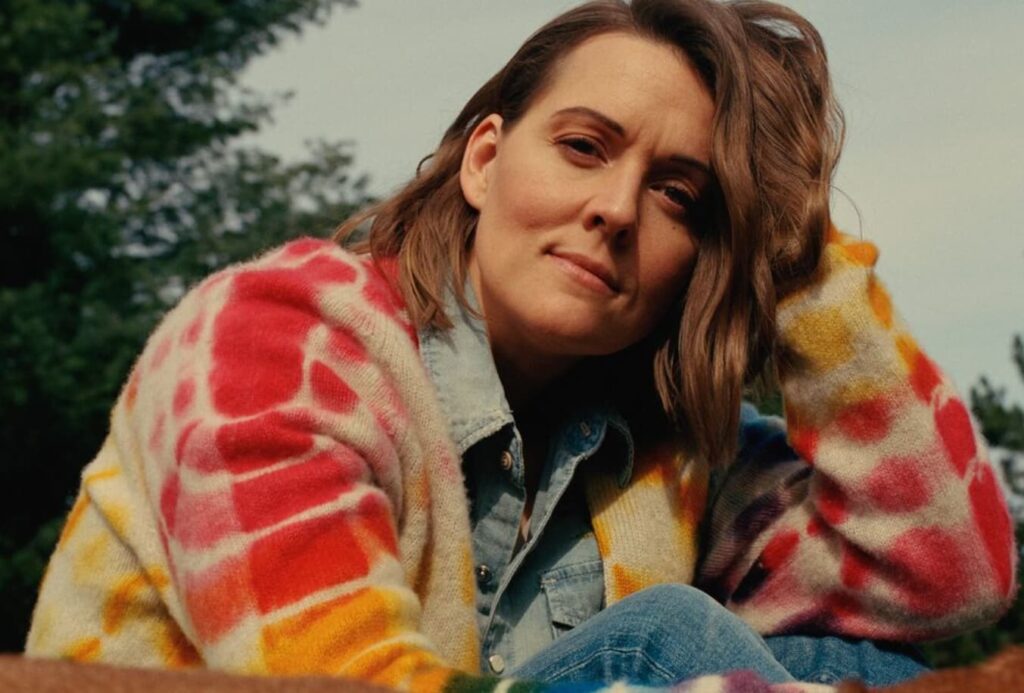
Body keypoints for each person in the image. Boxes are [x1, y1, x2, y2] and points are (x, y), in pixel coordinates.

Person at [25, 0, 1017, 691]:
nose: (616, 209)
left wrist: (799, 257)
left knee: (856, 665)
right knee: (667, 637)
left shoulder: (663, 454)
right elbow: (341, 683)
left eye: (679, 195)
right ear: (485, 160)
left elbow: (947, 576)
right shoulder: (271, 342)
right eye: (583, 147)